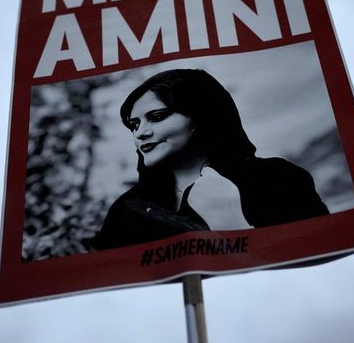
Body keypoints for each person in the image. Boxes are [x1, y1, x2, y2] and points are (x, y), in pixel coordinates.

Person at [92, 68, 328, 250]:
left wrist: (234, 226)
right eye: (134, 124)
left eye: (157, 117)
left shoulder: (279, 179)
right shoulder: (128, 210)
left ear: (201, 116)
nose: (140, 133)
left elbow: (317, 262)